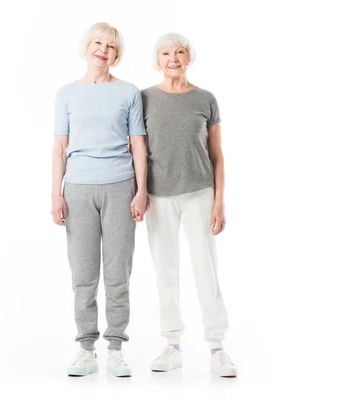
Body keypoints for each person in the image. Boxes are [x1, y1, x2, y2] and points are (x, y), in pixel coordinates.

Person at [51, 22, 147, 377]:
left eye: (110, 45)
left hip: (120, 186)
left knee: (118, 273)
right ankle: (86, 349)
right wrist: (55, 194)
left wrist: (141, 190)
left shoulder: (129, 92)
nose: (102, 49)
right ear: (87, 47)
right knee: (84, 274)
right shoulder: (66, 93)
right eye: (97, 42)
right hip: (77, 189)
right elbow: (60, 147)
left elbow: (138, 143)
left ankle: (116, 348)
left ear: (116, 54)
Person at [141, 33, 238, 377]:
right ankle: (172, 344)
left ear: (189, 58)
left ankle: (217, 347)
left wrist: (220, 202)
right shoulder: (145, 99)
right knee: (165, 270)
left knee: (205, 267)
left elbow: (217, 155)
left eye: (180, 52)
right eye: (166, 52)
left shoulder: (206, 99)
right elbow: (135, 150)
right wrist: (138, 192)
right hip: (157, 195)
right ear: (158, 60)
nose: (173, 58)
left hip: (199, 192)